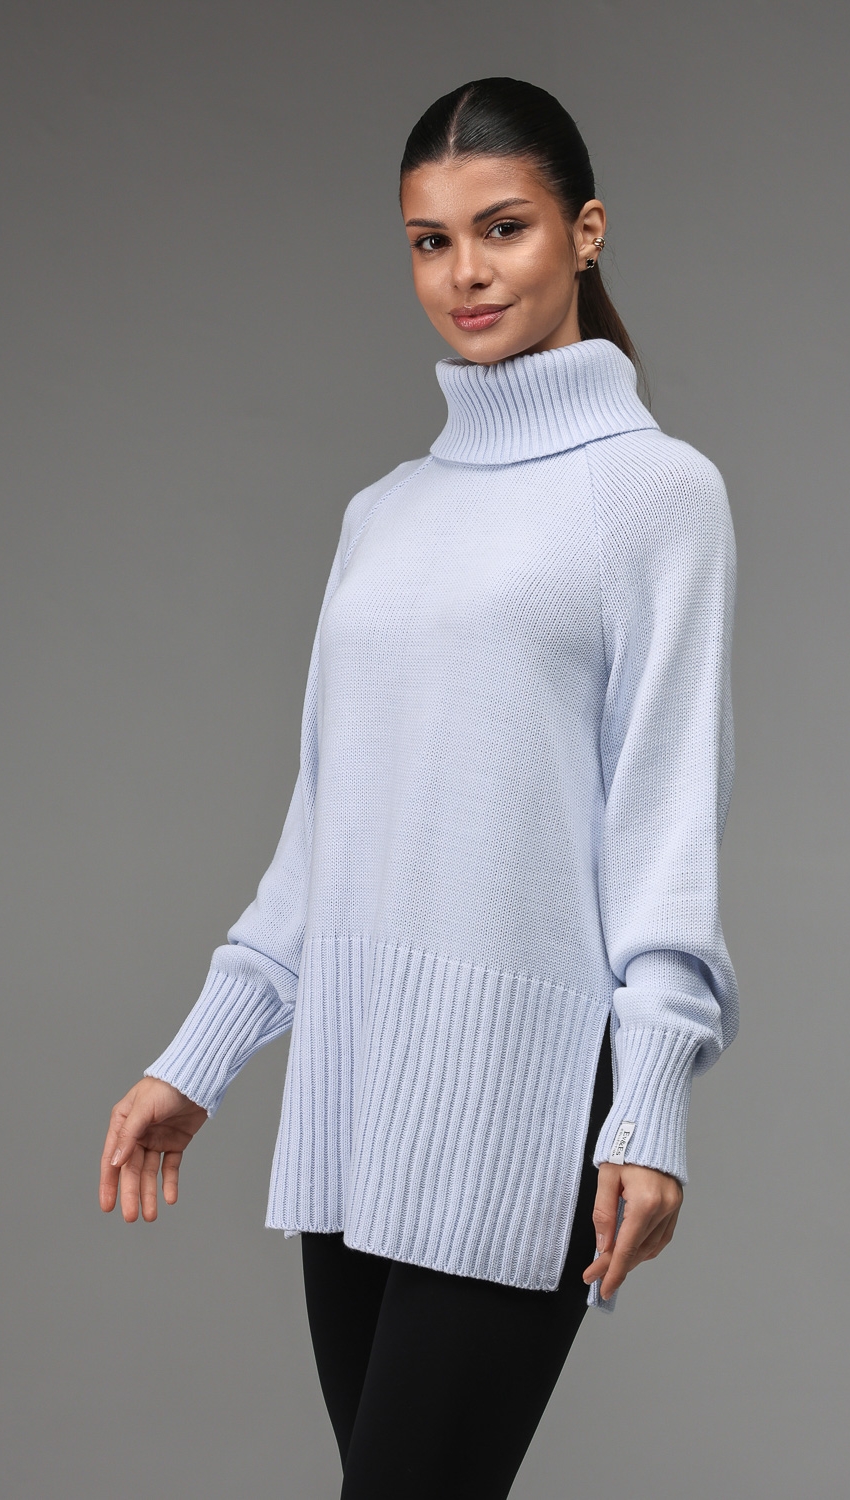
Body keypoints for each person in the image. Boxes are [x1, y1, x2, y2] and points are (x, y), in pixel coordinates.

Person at [99, 76, 739, 1499]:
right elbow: (323, 834)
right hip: (355, 1085)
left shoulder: (655, 496)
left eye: (502, 228)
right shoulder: (381, 515)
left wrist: (649, 1108)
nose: (464, 274)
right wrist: (197, 1058)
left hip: (520, 1093)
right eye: (429, 241)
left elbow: (666, 828)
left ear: (583, 232)